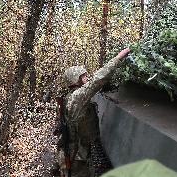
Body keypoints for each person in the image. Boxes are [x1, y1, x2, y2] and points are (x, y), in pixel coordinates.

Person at [55, 48, 131, 177]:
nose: (87, 77)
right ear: (76, 80)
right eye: (84, 76)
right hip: (77, 155)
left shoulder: (69, 97)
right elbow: (98, 79)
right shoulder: (78, 97)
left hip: (76, 150)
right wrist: (119, 57)